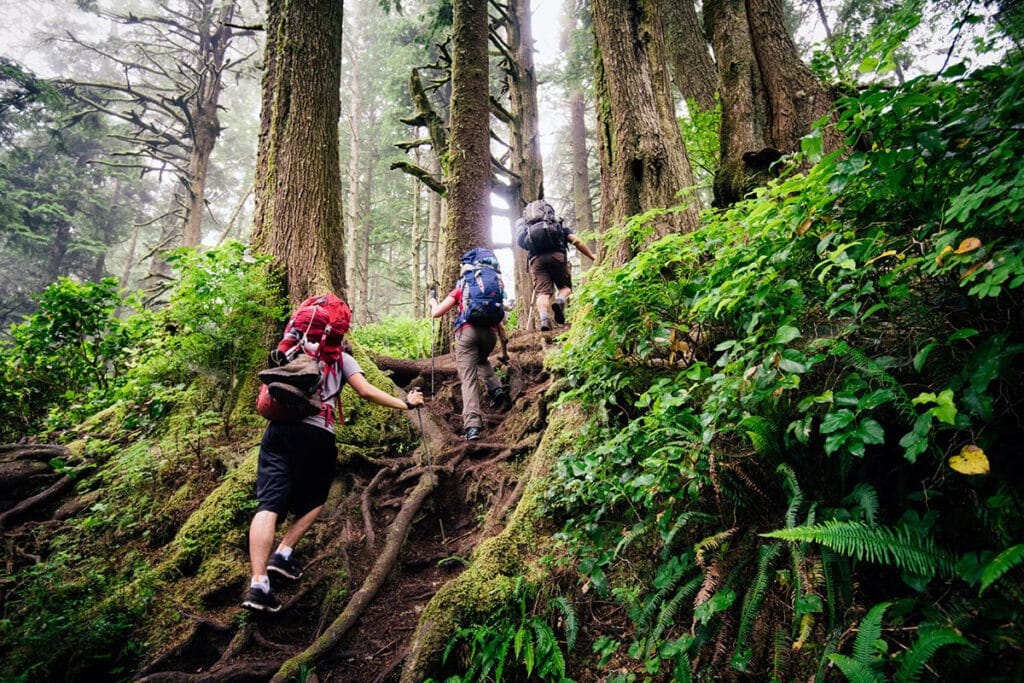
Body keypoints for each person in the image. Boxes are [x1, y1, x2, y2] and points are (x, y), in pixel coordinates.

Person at [243, 342, 424, 613]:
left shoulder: (294, 349)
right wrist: (405, 403)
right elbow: (365, 390)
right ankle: (282, 553)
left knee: (268, 506)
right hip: (316, 434)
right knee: (315, 501)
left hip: (277, 431)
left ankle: (259, 584)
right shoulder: (340, 358)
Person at [429, 249, 510, 442]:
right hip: (490, 335)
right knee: (481, 359)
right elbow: (501, 324)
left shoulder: (464, 284)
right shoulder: (495, 285)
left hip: (467, 333)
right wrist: (504, 351)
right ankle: (496, 389)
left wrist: (432, 302)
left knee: (468, 379)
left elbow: (437, 313)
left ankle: (472, 426)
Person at [515, 199, 596, 331]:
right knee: (565, 287)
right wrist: (591, 255)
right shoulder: (558, 227)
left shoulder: (529, 231)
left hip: (536, 261)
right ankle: (560, 300)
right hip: (557, 257)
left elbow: (522, 243)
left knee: (542, 293)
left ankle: (544, 320)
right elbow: (577, 241)